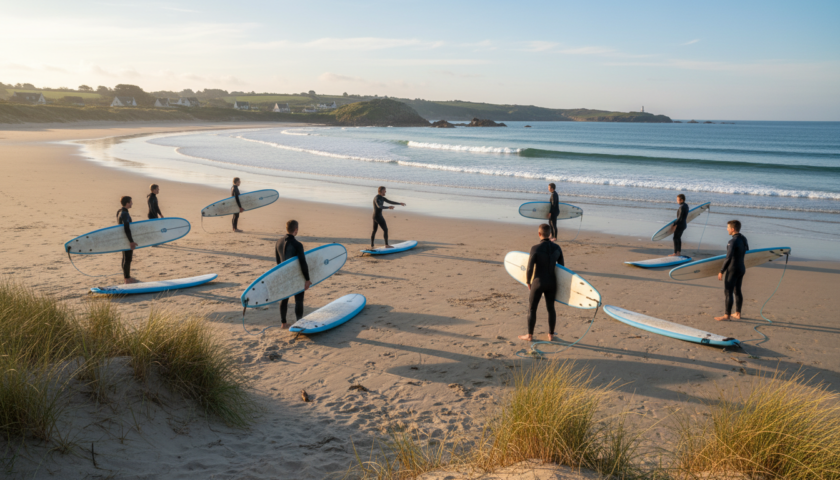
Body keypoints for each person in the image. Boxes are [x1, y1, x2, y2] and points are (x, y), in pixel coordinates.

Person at [520, 223, 565, 342]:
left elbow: (530, 267)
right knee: (551, 308)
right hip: (552, 282)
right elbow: (562, 268)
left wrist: (528, 281)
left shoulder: (535, 248)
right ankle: (551, 334)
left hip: (538, 282)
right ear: (550, 234)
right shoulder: (557, 248)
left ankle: (529, 335)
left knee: (532, 308)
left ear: (539, 234)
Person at [275, 220, 311, 329]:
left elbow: (278, 262)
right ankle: (299, 323)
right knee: (299, 300)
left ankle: (283, 323)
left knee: (284, 299)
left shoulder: (278, 242)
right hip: (296, 275)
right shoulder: (297, 244)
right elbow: (302, 263)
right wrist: (307, 279)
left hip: (283, 275)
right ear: (296, 230)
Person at [715, 220, 749, 322]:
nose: (727, 229)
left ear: (733, 229)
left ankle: (726, 316)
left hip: (732, 269)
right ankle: (737, 313)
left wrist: (721, 270)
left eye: (728, 228)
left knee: (728, 292)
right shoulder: (743, 238)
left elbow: (728, 258)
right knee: (737, 290)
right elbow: (747, 250)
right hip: (741, 268)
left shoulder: (732, 242)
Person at [117, 196, 139, 284]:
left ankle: (127, 277)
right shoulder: (124, 213)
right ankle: (127, 279)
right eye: (131, 202)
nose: (132, 203)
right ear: (127, 203)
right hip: (126, 238)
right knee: (127, 259)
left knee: (125, 258)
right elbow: (126, 228)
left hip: (123, 238)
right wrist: (131, 241)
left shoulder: (120, 211)